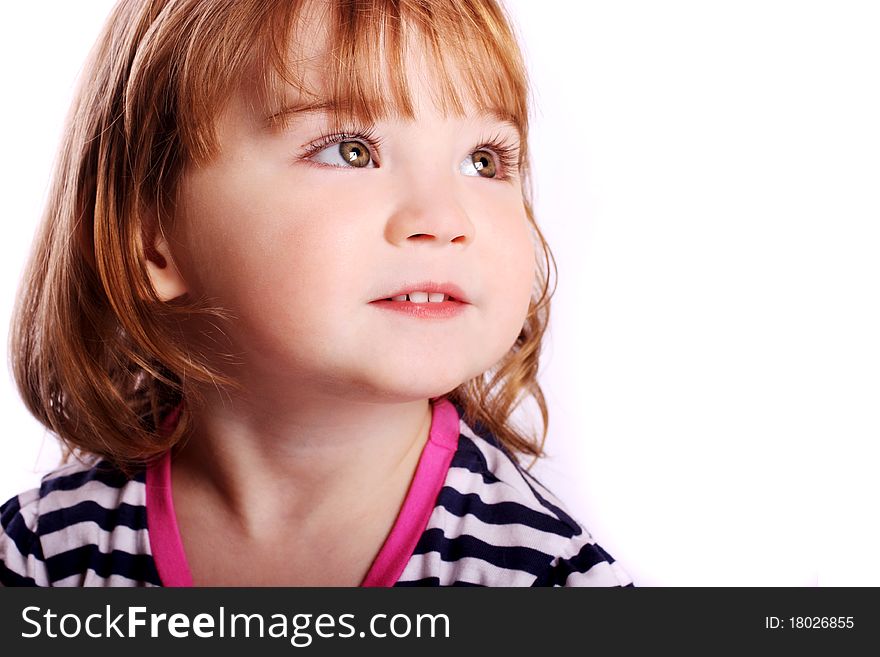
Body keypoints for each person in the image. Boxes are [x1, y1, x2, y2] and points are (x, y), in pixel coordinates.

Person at [0, 0, 632, 587]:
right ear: (152, 240)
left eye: (484, 161)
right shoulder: (40, 554)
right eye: (350, 152)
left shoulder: (547, 577)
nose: (445, 218)